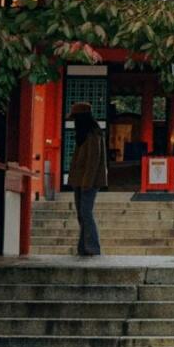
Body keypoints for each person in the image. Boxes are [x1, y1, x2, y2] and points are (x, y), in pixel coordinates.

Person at [68, 107, 106, 258]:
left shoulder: (93, 135)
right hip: (79, 180)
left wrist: (87, 182)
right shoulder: (83, 135)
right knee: (81, 214)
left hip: (88, 181)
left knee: (86, 213)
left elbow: (93, 161)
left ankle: (93, 247)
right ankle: (83, 247)